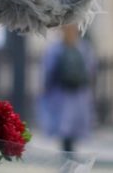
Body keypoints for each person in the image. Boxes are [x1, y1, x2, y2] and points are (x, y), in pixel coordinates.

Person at [38, 25, 97, 155]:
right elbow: (91, 72)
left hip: (65, 95)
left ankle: (68, 160)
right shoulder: (84, 48)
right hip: (73, 96)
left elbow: (48, 72)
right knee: (68, 133)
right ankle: (68, 159)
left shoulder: (57, 49)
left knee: (67, 132)